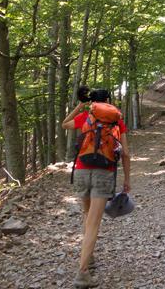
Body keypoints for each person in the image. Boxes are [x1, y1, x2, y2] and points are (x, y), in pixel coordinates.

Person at [62, 87, 131, 288]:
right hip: (104, 172)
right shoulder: (116, 120)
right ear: (108, 101)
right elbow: (125, 152)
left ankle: (89, 258)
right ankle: (82, 273)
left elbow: (64, 124)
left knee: (86, 214)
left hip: (81, 170)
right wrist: (127, 179)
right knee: (93, 223)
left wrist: (79, 106)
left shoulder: (87, 116)